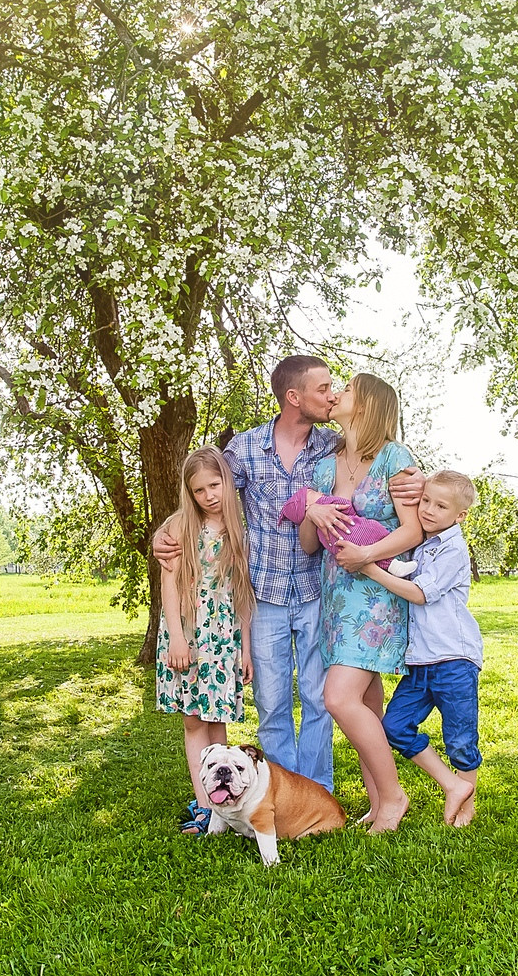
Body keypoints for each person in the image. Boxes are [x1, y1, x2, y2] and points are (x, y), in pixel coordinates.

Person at [152, 355, 422, 796]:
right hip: (265, 594)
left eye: (336, 388)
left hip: (321, 591)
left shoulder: (334, 446)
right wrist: (164, 530)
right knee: (272, 705)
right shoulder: (245, 448)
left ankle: (316, 794)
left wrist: (420, 480)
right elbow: (203, 488)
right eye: (323, 389)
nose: (332, 395)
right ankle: (279, 796)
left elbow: (382, 460)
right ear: (293, 397)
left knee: (320, 701)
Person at [302, 371, 426, 832]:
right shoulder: (326, 462)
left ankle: (394, 798)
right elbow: (310, 545)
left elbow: (412, 530)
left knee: (338, 698)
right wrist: (310, 511)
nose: (336, 395)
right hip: (335, 598)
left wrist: (368, 555)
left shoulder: (395, 457)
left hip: (375, 596)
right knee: (367, 708)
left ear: (369, 403)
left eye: (347, 390)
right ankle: (376, 804)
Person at [360, 468, 483, 827]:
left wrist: (370, 569)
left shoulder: (453, 550)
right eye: (426, 500)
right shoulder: (421, 543)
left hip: (454, 659)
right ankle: (450, 785)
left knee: (460, 736)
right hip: (420, 662)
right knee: (395, 726)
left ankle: (466, 806)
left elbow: (420, 593)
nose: (428, 510)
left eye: (440, 506)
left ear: (459, 516)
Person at [153, 447, 255, 835]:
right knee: (194, 721)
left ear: (228, 483)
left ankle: (222, 801)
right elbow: (169, 585)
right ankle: (202, 805)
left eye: (215, 485)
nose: (209, 495)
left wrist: (245, 647)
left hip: (224, 633)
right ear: (189, 494)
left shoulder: (238, 529)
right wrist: (178, 639)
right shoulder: (180, 526)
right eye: (199, 490)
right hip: (189, 631)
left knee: (217, 720)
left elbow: (242, 593)